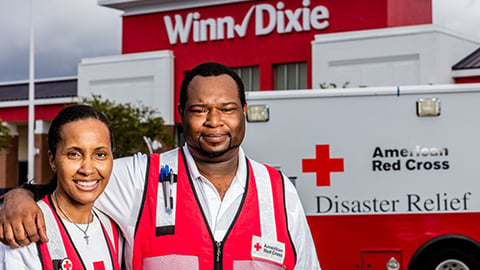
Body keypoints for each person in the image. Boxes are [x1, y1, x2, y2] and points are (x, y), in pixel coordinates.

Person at [0, 62, 320, 270]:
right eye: (199, 110)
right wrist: (18, 197)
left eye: (227, 108)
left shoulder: (279, 192)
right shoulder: (141, 178)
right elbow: (78, 180)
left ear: (244, 111)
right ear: (181, 113)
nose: (214, 122)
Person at [0, 105, 122, 269]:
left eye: (100, 154)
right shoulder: (25, 229)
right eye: (74, 154)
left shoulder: (114, 227)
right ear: (52, 160)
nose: (87, 169)